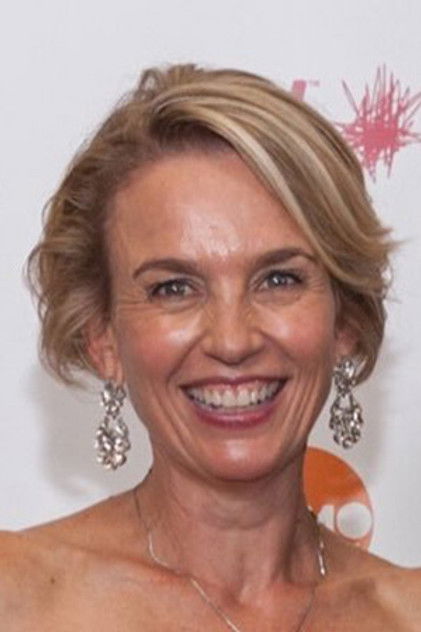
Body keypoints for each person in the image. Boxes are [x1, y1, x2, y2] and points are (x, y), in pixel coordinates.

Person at [1, 63, 420, 631]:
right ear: (103, 338)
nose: (233, 340)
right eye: (174, 288)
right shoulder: (16, 597)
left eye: (279, 279)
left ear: (344, 319)